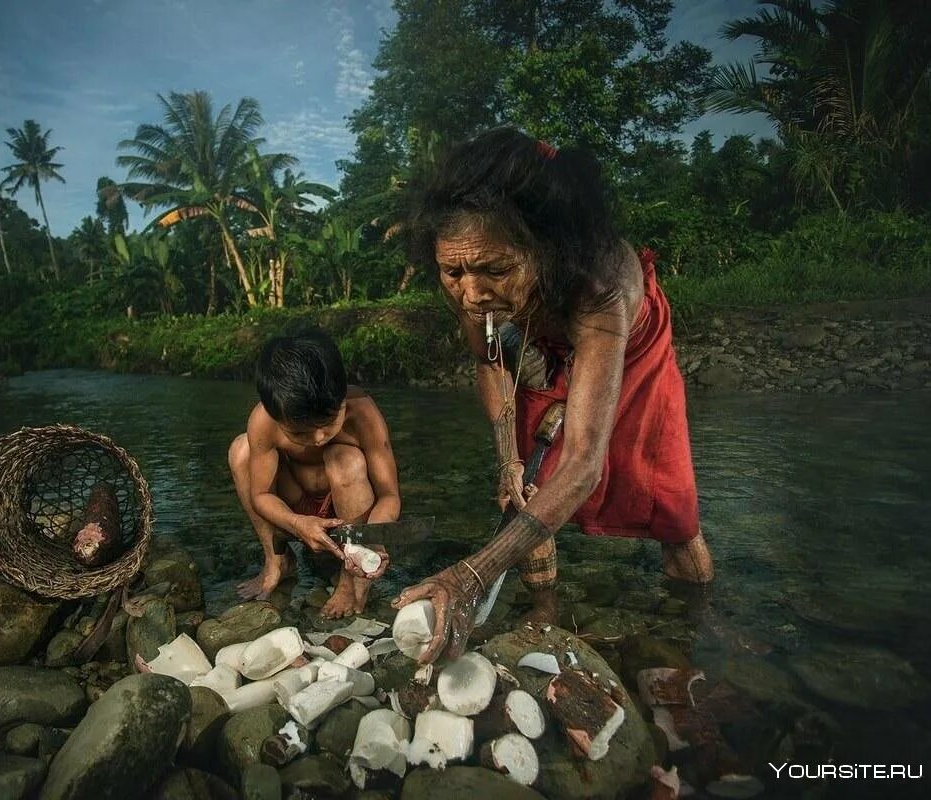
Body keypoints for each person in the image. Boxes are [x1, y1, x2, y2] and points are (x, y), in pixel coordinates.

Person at [394, 128, 715, 663]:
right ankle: (544, 612)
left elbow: (586, 462)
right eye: (454, 273)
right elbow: (489, 360)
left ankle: (697, 628)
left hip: (628, 348)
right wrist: (508, 460)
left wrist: (471, 574)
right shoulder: (468, 273)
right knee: (526, 487)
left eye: (496, 269)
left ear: (546, 249)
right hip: (540, 333)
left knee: (669, 499)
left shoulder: (600, 283)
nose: (472, 294)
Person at [229, 329, 402, 618]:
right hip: (298, 503)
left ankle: (352, 582)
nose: (320, 437)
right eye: (299, 432)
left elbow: (389, 494)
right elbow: (260, 494)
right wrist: (297, 524)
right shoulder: (264, 421)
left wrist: (372, 540)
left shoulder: (363, 413)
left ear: (343, 399)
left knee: (343, 457)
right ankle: (277, 561)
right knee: (240, 450)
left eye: (329, 422)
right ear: (276, 416)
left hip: (350, 511)